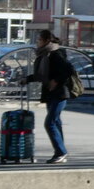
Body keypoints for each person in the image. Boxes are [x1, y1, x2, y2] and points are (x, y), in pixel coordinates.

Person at [31, 29, 72, 164]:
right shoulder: (45, 54)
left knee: (50, 123)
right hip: (50, 94)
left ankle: (61, 152)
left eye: (39, 39)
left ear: (46, 40)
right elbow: (41, 75)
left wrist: (56, 81)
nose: (37, 42)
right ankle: (61, 152)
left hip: (60, 94)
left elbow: (68, 70)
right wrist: (27, 79)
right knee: (56, 122)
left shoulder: (55, 53)